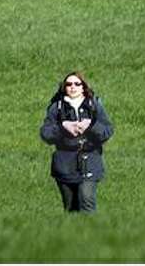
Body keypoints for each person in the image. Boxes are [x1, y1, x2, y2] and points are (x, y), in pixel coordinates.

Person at [39, 72, 114, 214]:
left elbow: (107, 131)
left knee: (86, 201)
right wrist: (62, 128)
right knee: (70, 208)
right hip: (64, 165)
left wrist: (90, 126)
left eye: (77, 84)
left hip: (90, 162)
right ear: (64, 87)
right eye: (68, 84)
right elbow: (45, 133)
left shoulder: (94, 105)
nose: (72, 87)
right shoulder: (56, 107)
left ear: (83, 87)